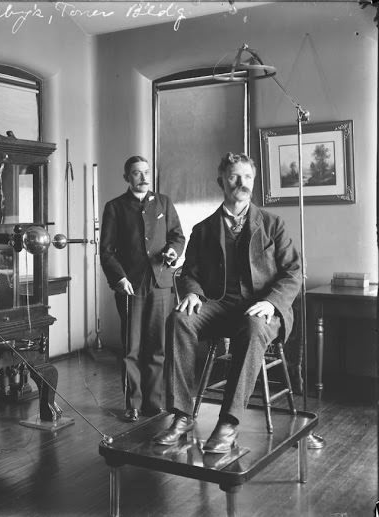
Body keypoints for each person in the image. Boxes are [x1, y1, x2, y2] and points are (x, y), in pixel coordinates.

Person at [153, 152, 301, 452]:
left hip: (262, 307)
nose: (241, 183)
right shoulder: (204, 229)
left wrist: (272, 303)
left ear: (254, 180)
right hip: (219, 304)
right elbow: (188, 272)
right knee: (179, 320)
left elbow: (293, 272)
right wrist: (193, 292)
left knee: (252, 324)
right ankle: (182, 415)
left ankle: (228, 423)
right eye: (234, 176)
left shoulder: (273, 224)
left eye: (247, 176)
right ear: (221, 181)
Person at [100, 155, 185, 422]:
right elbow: (106, 251)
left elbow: (178, 236)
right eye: (137, 173)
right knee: (131, 348)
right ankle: (133, 404)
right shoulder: (115, 207)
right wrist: (119, 279)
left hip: (161, 283)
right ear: (127, 177)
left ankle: (153, 403)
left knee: (157, 347)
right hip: (130, 286)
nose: (143, 177)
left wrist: (173, 252)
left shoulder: (164, 203)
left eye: (146, 172)